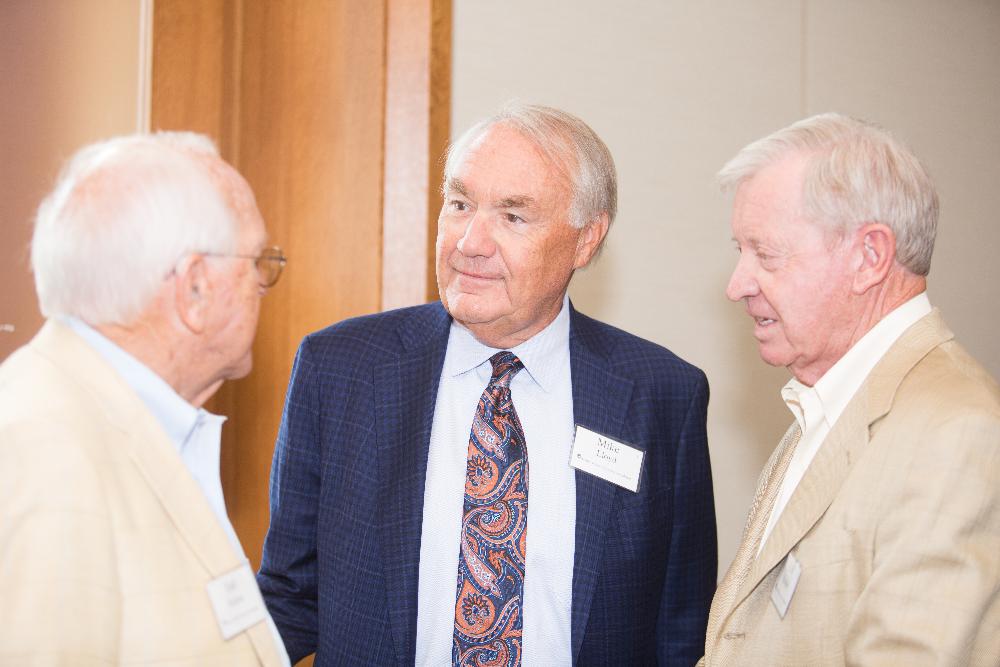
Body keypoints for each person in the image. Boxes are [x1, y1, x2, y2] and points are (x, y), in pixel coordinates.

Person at [257, 103, 717, 666]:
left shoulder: (661, 394)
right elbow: (290, 596)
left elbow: (681, 627)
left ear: (586, 239)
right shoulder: (341, 368)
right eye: (459, 204)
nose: (470, 242)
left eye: (513, 216)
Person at [702, 113, 1000, 665]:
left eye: (766, 254)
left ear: (869, 258)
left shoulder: (955, 431)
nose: (737, 285)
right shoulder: (825, 402)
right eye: (740, 251)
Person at [0, 133, 290, 665]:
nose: (262, 285)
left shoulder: (124, 418)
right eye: (257, 261)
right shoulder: (44, 453)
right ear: (195, 288)